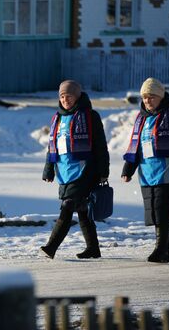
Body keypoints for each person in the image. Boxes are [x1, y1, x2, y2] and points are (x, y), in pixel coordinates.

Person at [121, 77, 169, 263]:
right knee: (155, 211)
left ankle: (160, 249)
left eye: (152, 97)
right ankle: (168, 252)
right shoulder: (141, 119)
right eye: (145, 97)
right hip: (147, 173)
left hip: (168, 171)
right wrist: (128, 169)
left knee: (162, 211)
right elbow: (135, 146)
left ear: (161, 96)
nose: (147, 101)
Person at [40, 80, 109, 259]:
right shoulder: (58, 118)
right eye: (62, 96)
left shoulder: (90, 116)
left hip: (84, 170)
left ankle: (51, 246)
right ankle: (93, 248)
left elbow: (101, 146)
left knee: (68, 206)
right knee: (83, 210)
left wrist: (103, 171)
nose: (65, 100)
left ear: (77, 96)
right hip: (64, 171)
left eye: (69, 96)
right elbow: (52, 146)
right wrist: (48, 169)